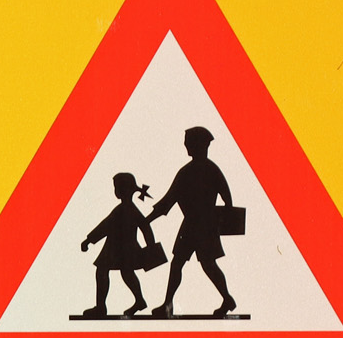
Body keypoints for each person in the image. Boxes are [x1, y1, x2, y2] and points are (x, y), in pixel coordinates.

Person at [149, 126, 240, 319]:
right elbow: (227, 197)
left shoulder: (191, 171)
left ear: (197, 145)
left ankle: (225, 298)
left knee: (200, 265)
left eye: (188, 142)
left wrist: (147, 220)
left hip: (198, 226)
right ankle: (169, 303)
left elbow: (168, 202)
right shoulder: (205, 169)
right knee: (192, 264)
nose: (185, 146)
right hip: (198, 226)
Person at [78, 171, 156, 318]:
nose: (116, 191)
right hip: (122, 249)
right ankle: (138, 300)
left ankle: (101, 307)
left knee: (103, 271)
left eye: (117, 188)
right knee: (126, 273)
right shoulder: (129, 209)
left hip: (118, 249)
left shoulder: (124, 209)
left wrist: (89, 240)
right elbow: (145, 226)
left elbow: (105, 226)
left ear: (124, 190)